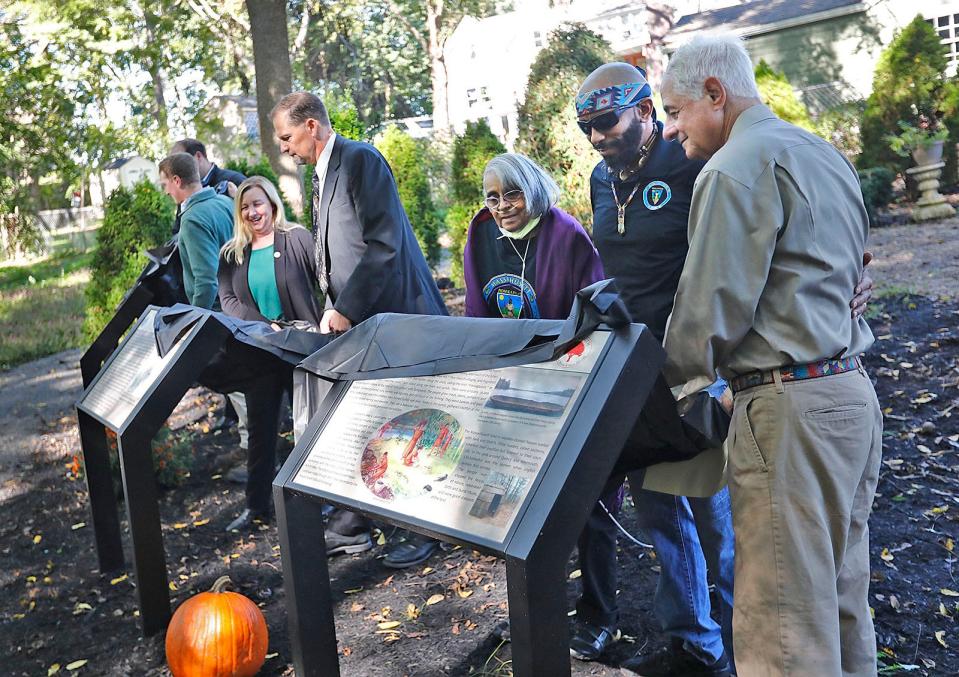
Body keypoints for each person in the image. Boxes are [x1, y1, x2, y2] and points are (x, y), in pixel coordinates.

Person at [659, 34, 882, 677]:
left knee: (784, 626)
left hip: (788, 412)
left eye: (675, 112)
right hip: (850, 397)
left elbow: (708, 308)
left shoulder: (734, 168)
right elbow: (850, 269)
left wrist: (674, 389)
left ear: (715, 93)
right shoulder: (822, 153)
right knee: (841, 607)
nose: (672, 131)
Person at [573, 63, 736, 677]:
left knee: (711, 510)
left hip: (697, 366)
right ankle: (692, 640)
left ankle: (740, 635)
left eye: (606, 122)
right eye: (586, 127)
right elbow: (622, 261)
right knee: (658, 506)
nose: (596, 138)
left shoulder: (689, 163)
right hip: (635, 368)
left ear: (645, 110)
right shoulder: (597, 178)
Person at [271, 91, 448, 562]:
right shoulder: (322, 172)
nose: (284, 148)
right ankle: (364, 522)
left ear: (311, 126)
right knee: (373, 422)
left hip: (396, 317)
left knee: (411, 423)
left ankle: (425, 529)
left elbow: (383, 244)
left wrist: (345, 307)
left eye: (287, 137)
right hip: (364, 322)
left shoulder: (359, 160)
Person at [215, 176, 322, 532]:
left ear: (272, 204)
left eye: (258, 204)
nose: (252, 212)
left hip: (302, 349)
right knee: (261, 431)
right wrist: (266, 327)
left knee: (309, 427)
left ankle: (323, 501)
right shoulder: (232, 253)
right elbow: (228, 301)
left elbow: (323, 281)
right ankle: (256, 505)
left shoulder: (297, 239)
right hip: (260, 352)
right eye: (245, 206)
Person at [463, 153, 604, 320]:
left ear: (532, 190)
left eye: (512, 194)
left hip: (558, 343)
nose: (503, 205)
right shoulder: (480, 235)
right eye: (493, 199)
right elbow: (474, 308)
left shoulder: (566, 235)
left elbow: (593, 307)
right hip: (499, 342)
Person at [158, 153, 233, 310]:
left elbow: (206, 281)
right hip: (240, 307)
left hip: (219, 314)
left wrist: (194, 319)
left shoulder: (192, 219)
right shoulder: (225, 202)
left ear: (176, 181)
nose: (166, 192)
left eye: (165, 185)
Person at [170, 138, 246, 235]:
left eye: (180, 162)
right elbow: (177, 232)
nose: (176, 170)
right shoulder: (184, 191)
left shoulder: (234, 180)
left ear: (198, 156)